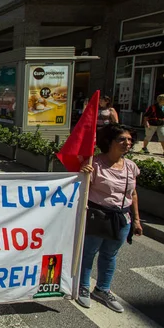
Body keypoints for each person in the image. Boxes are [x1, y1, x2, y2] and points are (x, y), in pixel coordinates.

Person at [77, 124, 142, 313]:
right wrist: (83, 174)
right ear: (109, 142)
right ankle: (83, 287)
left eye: (129, 140)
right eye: (122, 139)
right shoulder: (95, 164)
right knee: (89, 252)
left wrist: (136, 219)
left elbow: (133, 194)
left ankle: (103, 289)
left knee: (110, 255)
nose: (127, 143)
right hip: (98, 216)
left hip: (122, 219)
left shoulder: (131, 166)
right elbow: (82, 190)